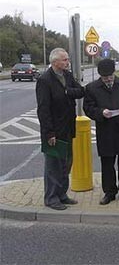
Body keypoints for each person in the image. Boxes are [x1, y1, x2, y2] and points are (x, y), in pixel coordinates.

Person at [83, 59, 119, 205]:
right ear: (100, 75)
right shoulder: (92, 88)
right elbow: (88, 108)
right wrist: (101, 112)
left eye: (110, 76)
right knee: (107, 164)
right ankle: (109, 192)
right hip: (106, 131)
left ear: (114, 72)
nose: (108, 79)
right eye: (105, 77)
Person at [36, 48, 84, 210]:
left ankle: (62, 194)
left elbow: (81, 91)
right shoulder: (45, 80)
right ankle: (51, 198)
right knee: (53, 166)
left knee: (66, 164)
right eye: (64, 60)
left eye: (68, 59)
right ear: (54, 62)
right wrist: (49, 133)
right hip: (54, 131)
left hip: (68, 128)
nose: (67, 62)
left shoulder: (67, 76)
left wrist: (68, 91)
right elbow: (43, 109)